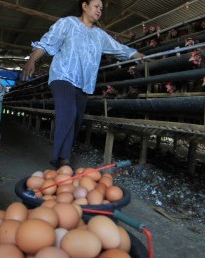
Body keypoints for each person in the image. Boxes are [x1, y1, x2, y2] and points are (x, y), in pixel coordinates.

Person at [22, 0, 144, 169]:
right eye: (96, 6)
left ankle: (63, 155)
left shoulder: (100, 35)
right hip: (62, 76)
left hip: (83, 83)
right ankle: (62, 159)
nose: (99, 10)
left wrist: (142, 57)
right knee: (68, 112)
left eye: (101, 8)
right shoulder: (67, 23)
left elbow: (120, 49)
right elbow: (47, 42)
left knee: (77, 119)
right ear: (84, 6)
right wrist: (32, 60)